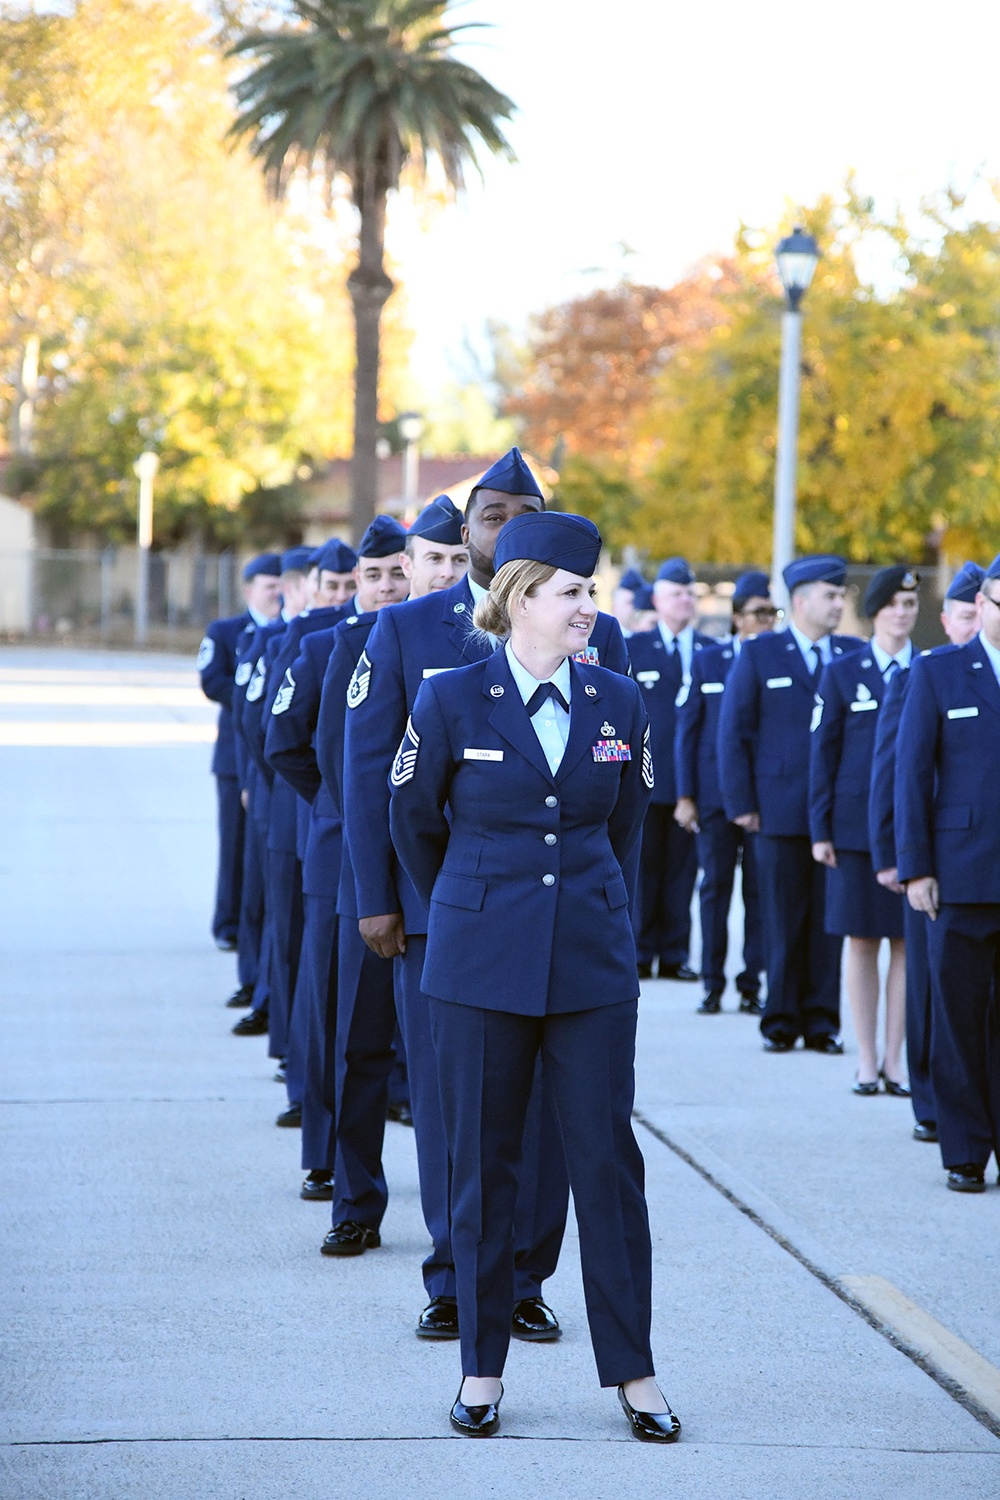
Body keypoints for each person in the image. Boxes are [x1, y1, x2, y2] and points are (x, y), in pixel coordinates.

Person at [389, 510, 680, 1443]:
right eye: (569, 592)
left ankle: (633, 1374)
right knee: (482, 1167)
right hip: (478, 968)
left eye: (590, 592)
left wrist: (587, 912)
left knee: (607, 1169)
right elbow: (414, 825)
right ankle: (481, 1370)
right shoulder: (447, 701)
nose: (586, 608)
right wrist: (475, 909)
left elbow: (626, 827)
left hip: (591, 967)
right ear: (518, 600)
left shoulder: (620, 704)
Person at [343, 448, 628, 1341]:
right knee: (451, 1107)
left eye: (525, 513)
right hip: (446, 915)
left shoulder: (595, 635)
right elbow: (378, 786)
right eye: (493, 514)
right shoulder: (405, 632)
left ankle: (525, 1275)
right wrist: (384, 899)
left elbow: (617, 806)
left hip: (559, 916)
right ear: (465, 532)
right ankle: (455, 1278)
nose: (506, 528)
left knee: (546, 1113)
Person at [266, 518, 410, 1197]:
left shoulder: (442, 640)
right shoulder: (327, 643)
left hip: (417, 855)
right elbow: (285, 743)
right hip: (339, 851)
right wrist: (335, 806)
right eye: (372, 576)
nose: (385, 586)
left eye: (395, 573)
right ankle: (327, 1156)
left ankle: (402, 1108)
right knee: (338, 1012)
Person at [719, 555, 864, 1053]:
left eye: (841, 596)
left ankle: (822, 1021)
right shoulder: (761, 653)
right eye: (831, 595)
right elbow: (734, 732)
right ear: (800, 601)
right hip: (777, 810)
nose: (839, 604)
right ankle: (780, 1019)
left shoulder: (852, 653)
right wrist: (742, 803)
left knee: (830, 922)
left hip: (839, 816)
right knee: (781, 918)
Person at [868, 562, 985, 1142]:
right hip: (945, 862)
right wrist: (902, 858)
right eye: (967, 613)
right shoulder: (928, 673)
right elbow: (899, 771)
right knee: (939, 998)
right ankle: (942, 1116)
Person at [896, 552, 1000, 1193]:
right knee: (958, 1017)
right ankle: (964, 1148)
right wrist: (916, 867)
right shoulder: (939, 671)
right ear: (983, 607)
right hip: (959, 873)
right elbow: (910, 775)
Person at [809, 567, 919, 1094]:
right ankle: (866, 1059)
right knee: (860, 940)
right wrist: (821, 827)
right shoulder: (843, 671)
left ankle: (896, 1059)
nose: (902, 612)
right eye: (893, 603)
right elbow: (823, 753)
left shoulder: (928, 670)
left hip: (912, 828)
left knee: (903, 943)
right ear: (876, 610)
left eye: (910, 603)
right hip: (853, 830)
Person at [674, 571, 775, 1013]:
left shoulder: (780, 661)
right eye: (758, 613)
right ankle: (712, 983)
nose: (767, 621)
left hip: (762, 798)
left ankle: (751, 983)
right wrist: (685, 795)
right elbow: (688, 730)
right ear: (737, 618)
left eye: (773, 613)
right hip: (714, 797)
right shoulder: (709, 661)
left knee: (758, 891)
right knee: (715, 887)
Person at [627, 557, 715, 981]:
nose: (685, 600)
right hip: (646, 776)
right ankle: (642, 952)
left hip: (691, 780)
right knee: (645, 869)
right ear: (657, 600)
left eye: (689, 593)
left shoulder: (709, 652)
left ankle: (675, 953)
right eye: (676, 593)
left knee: (683, 871)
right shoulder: (636, 647)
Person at [197, 552, 281, 967]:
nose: (278, 594)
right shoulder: (227, 631)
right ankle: (227, 924)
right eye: (270, 587)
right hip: (234, 758)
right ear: (249, 590)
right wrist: (254, 697)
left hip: (271, 759)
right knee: (235, 843)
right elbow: (211, 679)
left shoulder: (293, 632)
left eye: (283, 586)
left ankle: (257, 922)